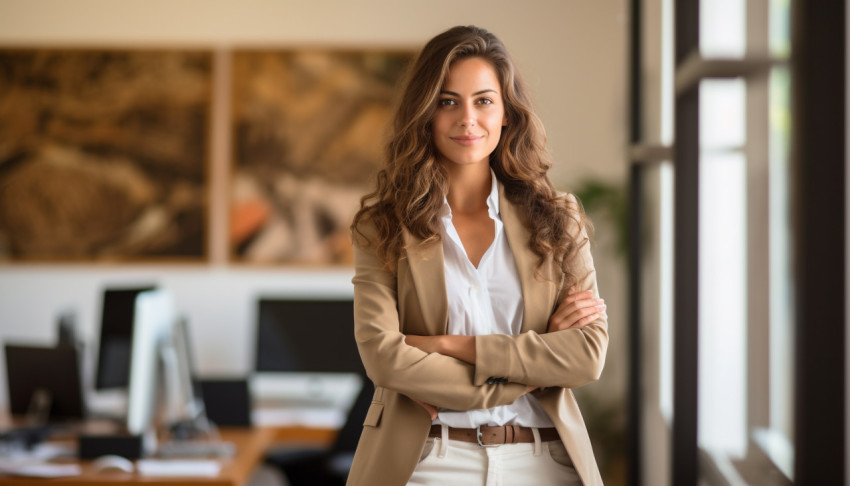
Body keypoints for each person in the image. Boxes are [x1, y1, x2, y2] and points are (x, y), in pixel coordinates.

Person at [347, 25, 608, 486]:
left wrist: (448, 345)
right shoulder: (381, 225)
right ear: (426, 113)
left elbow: (586, 356)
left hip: (544, 461)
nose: (467, 118)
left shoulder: (558, 218)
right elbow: (384, 359)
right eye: (448, 101)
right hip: (428, 459)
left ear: (507, 112)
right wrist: (531, 369)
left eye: (484, 100)